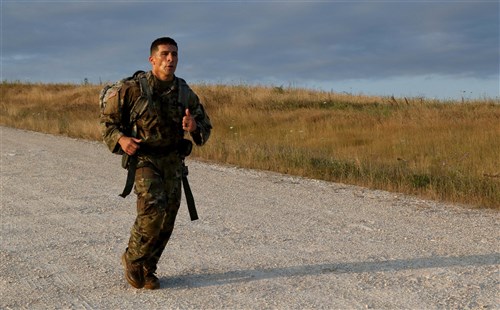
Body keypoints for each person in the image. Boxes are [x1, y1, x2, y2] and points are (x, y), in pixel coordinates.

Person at [100, 37, 212, 289]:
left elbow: (205, 128)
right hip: (144, 159)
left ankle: (148, 267)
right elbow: (107, 124)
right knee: (153, 210)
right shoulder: (132, 90)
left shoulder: (185, 93)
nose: (170, 59)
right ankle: (133, 258)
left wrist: (194, 126)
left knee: (168, 217)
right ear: (152, 59)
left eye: (174, 54)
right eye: (164, 54)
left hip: (173, 160)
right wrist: (121, 138)